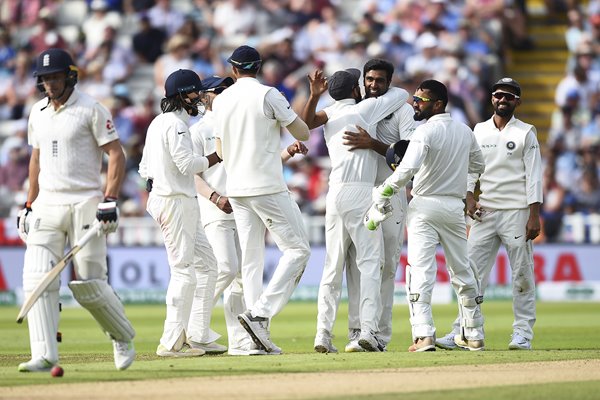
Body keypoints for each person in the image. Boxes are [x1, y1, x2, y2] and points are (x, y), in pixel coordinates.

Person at [17, 48, 135, 372]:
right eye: (45, 78)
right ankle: (45, 354)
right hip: (47, 204)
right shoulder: (37, 113)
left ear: (70, 75)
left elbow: (116, 153)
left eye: (55, 76)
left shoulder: (91, 109)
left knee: (90, 284)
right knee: (37, 277)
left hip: (85, 202)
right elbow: (36, 160)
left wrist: (109, 199)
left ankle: (121, 335)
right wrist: (29, 204)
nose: (50, 83)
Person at [191, 76, 309, 355]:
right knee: (228, 269)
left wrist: (287, 152)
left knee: (244, 275)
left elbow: (256, 162)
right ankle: (192, 324)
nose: (223, 93)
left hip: (242, 197)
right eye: (217, 90)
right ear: (205, 97)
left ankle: (244, 341)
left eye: (225, 89)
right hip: (218, 206)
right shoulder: (198, 131)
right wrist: (215, 198)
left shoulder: (235, 113)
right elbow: (191, 174)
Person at [371, 79, 486, 352]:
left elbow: (405, 171)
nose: (414, 103)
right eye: (414, 98)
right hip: (454, 208)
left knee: (420, 272)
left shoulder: (424, 132)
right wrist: (466, 188)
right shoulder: (464, 131)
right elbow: (478, 165)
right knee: (462, 271)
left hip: (424, 206)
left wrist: (382, 192)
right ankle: (474, 334)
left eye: (420, 100)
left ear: (438, 104)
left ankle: (424, 336)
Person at [301, 68, 408, 352]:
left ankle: (322, 334)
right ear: (354, 91)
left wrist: (314, 96)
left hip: (334, 193)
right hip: (362, 194)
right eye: (362, 84)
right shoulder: (366, 109)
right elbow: (402, 93)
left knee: (332, 268)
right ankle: (367, 332)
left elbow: (305, 122)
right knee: (371, 264)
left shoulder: (329, 113)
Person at [435, 77, 542, 351]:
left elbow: (534, 177)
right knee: (469, 274)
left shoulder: (526, 132)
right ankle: (463, 330)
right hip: (485, 212)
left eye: (508, 96)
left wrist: (533, 215)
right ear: (491, 99)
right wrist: (469, 198)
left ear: (517, 101)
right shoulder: (479, 130)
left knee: (521, 274)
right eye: (498, 96)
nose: (502, 100)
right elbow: (471, 169)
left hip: (517, 212)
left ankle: (522, 334)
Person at [138, 69, 221, 357]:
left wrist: (159, 184)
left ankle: (198, 334)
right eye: (194, 92)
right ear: (182, 95)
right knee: (184, 271)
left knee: (209, 265)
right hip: (175, 202)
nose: (199, 97)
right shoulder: (176, 125)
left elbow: (144, 170)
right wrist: (217, 155)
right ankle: (172, 342)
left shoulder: (159, 122)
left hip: (175, 199)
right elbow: (187, 165)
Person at [342, 58, 417, 352]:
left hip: (390, 196)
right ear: (363, 80)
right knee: (357, 266)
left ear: (389, 82)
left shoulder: (402, 108)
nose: (374, 85)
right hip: (358, 195)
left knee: (385, 266)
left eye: (380, 81)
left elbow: (410, 153)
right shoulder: (354, 108)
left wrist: (372, 144)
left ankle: (379, 336)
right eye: (370, 79)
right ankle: (358, 330)